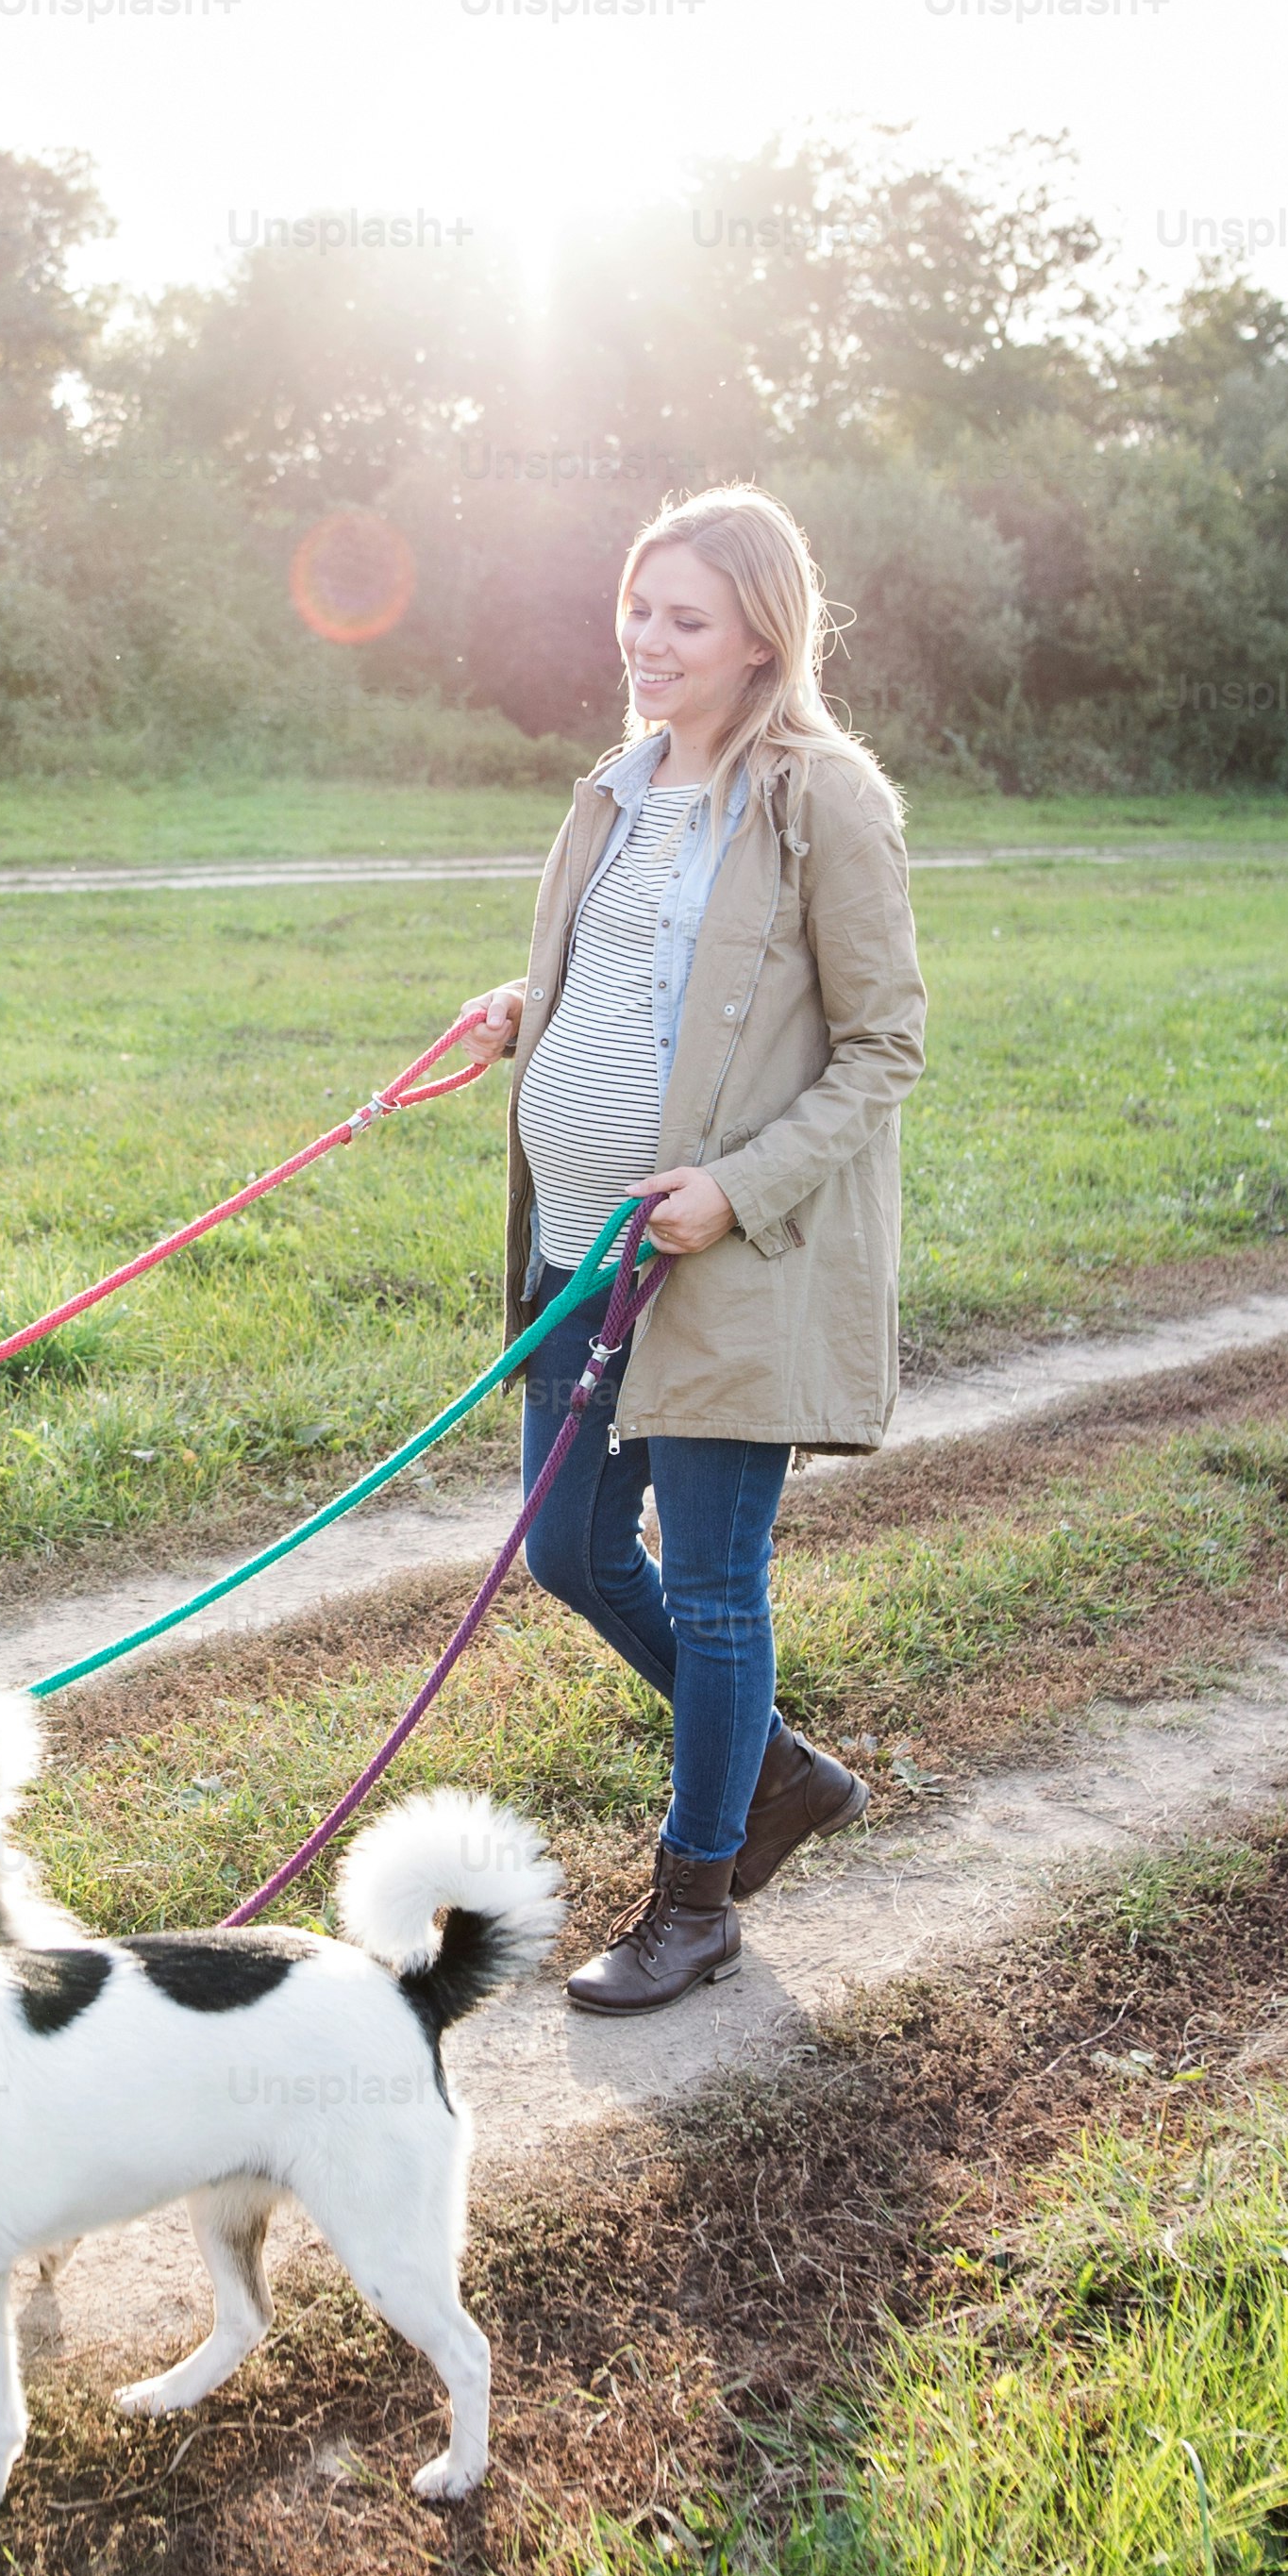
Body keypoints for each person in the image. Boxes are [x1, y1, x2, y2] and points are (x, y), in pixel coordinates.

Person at [449, 486, 926, 2014]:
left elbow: (882, 1045)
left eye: (685, 621)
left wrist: (736, 1189)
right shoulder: (618, 785)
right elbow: (651, 976)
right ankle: (775, 1769)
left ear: (759, 638)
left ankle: (697, 1895)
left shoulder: (823, 799)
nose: (648, 643)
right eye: (637, 611)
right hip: (580, 1254)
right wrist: (526, 1011)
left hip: (729, 1260)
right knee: (572, 1546)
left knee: (718, 1590)